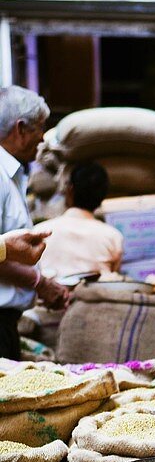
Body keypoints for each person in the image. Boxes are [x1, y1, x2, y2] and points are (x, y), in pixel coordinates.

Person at [0, 86, 68, 359]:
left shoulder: (12, 175)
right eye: (39, 128)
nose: (42, 137)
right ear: (20, 129)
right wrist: (39, 283)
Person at [35, 162, 123, 278]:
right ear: (103, 196)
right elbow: (113, 277)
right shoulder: (112, 236)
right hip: (96, 295)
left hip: (48, 295)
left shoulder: (40, 232)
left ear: (70, 190)